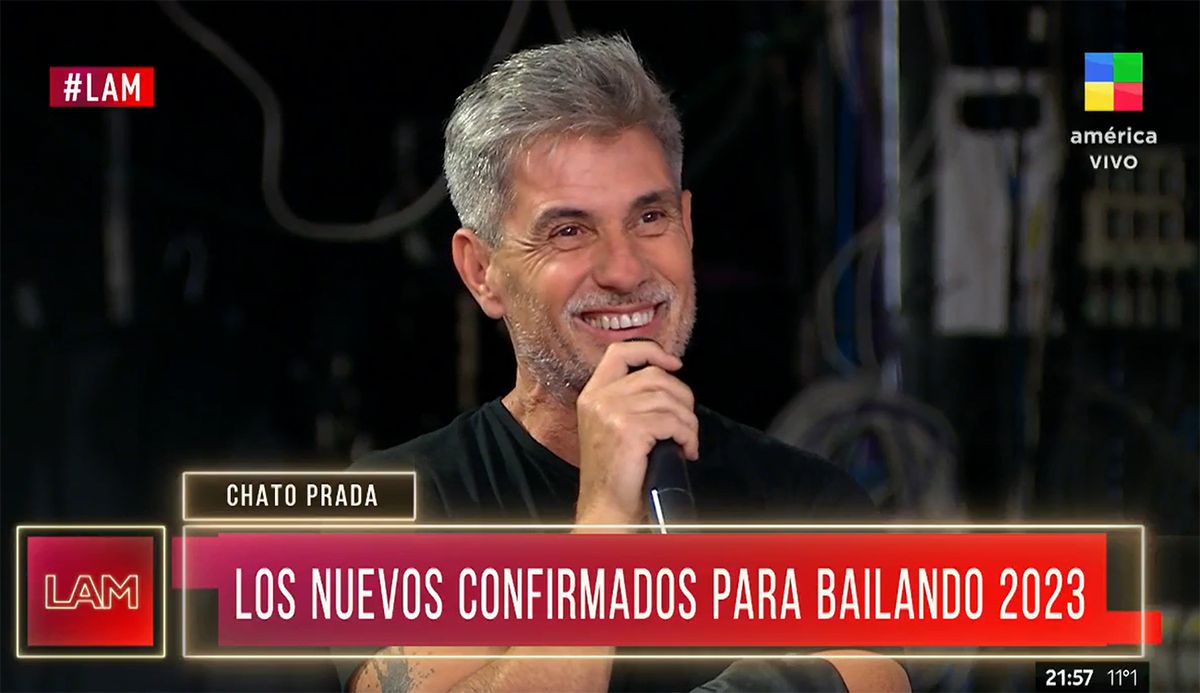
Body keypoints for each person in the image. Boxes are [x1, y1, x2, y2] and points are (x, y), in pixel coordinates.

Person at [343, 34, 909, 693]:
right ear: (481, 271)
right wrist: (604, 518)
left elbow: (877, 675)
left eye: (649, 217)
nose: (624, 269)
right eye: (569, 231)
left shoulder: (809, 504)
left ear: (687, 224)